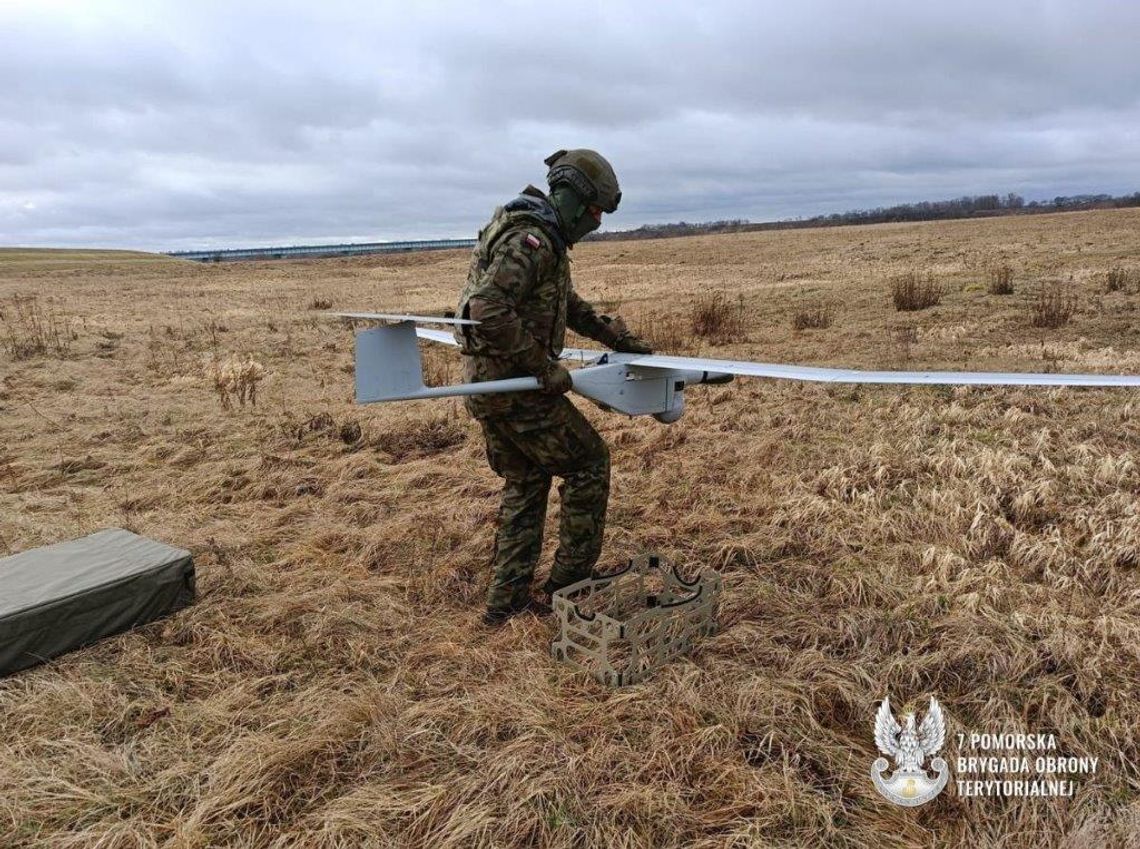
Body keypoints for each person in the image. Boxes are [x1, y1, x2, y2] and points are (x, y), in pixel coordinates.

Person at [453, 149, 653, 625]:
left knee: (527, 480)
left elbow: (569, 305)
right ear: (576, 199)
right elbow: (485, 309)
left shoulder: (535, 234)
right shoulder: (532, 240)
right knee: (588, 463)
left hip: (491, 390)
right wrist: (542, 368)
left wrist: (617, 336)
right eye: (596, 212)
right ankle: (571, 586)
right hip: (517, 388)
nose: (598, 222)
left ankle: (505, 603)